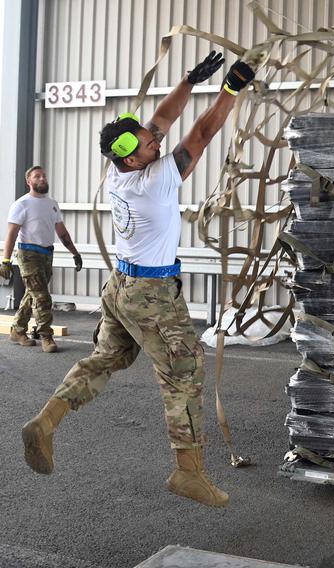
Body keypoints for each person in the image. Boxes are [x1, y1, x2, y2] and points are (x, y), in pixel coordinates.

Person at [21, 51, 255, 508]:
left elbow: (160, 119)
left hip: (120, 288)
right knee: (184, 373)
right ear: (133, 160)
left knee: (107, 357)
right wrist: (230, 89)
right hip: (152, 295)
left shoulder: (119, 167)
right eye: (150, 145)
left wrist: (189, 81)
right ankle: (189, 472)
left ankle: (46, 422)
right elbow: (203, 134)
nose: (157, 143)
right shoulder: (155, 181)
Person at [1, 166, 82, 353]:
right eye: (37, 176)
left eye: (43, 176)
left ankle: (18, 330)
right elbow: (12, 234)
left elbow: (61, 232)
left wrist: (75, 253)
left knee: (33, 294)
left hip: (47, 254)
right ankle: (46, 335)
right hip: (28, 255)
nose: (42, 178)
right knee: (42, 297)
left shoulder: (52, 204)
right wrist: (5, 261)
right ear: (28, 182)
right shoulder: (21, 204)